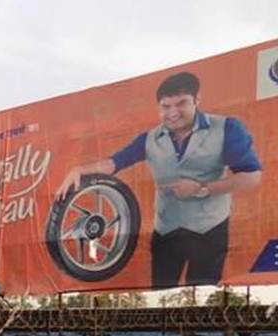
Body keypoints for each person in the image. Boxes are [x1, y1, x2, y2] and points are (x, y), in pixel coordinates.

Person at [56, 72, 263, 289]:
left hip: (209, 231)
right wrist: (80, 169)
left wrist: (203, 188)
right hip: (166, 232)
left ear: (196, 100)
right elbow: (114, 163)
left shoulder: (226, 128)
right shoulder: (149, 139)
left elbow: (252, 177)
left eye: (181, 103)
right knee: (162, 300)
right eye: (166, 106)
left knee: (202, 303)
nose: (173, 113)